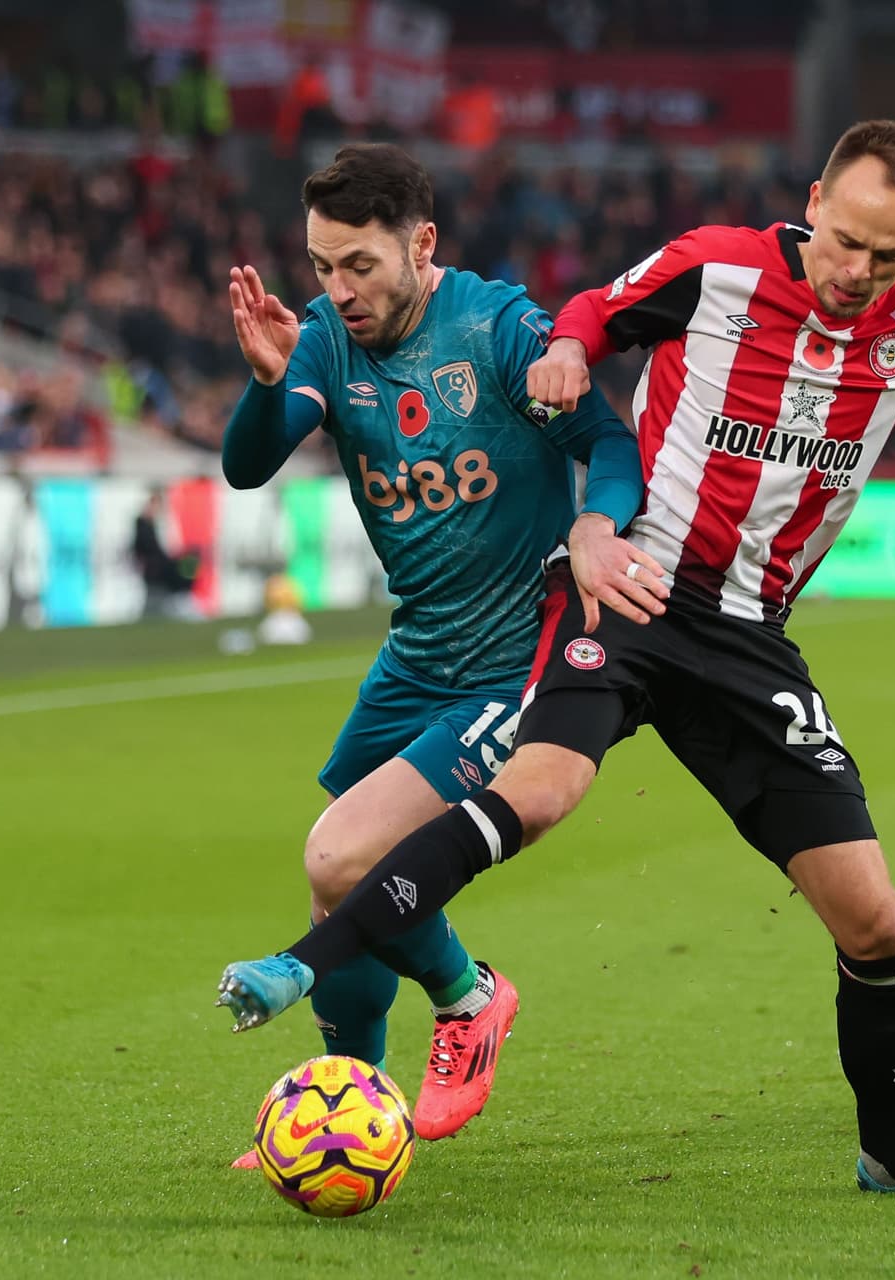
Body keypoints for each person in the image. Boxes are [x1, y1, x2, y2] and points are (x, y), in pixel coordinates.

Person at [216, 120, 895, 1195]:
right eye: (846, 240)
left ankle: (893, 1157)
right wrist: (570, 369)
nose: (857, 270)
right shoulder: (714, 270)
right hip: (629, 593)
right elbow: (596, 313)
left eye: (889, 253)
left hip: (749, 641)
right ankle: (325, 970)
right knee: (537, 792)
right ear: (813, 205)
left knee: (877, 921)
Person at [215, 143, 661, 1160]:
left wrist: (597, 526)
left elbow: (609, 441)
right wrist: (266, 380)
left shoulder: (499, 330)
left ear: (421, 243)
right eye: (323, 266)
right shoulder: (326, 339)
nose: (339, 290)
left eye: (360, 265)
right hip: (416, 654)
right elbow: (250, 464)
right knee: (339, 883)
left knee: (338, 849)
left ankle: (470, 996)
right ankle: (346, 1101)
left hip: (515, 665)